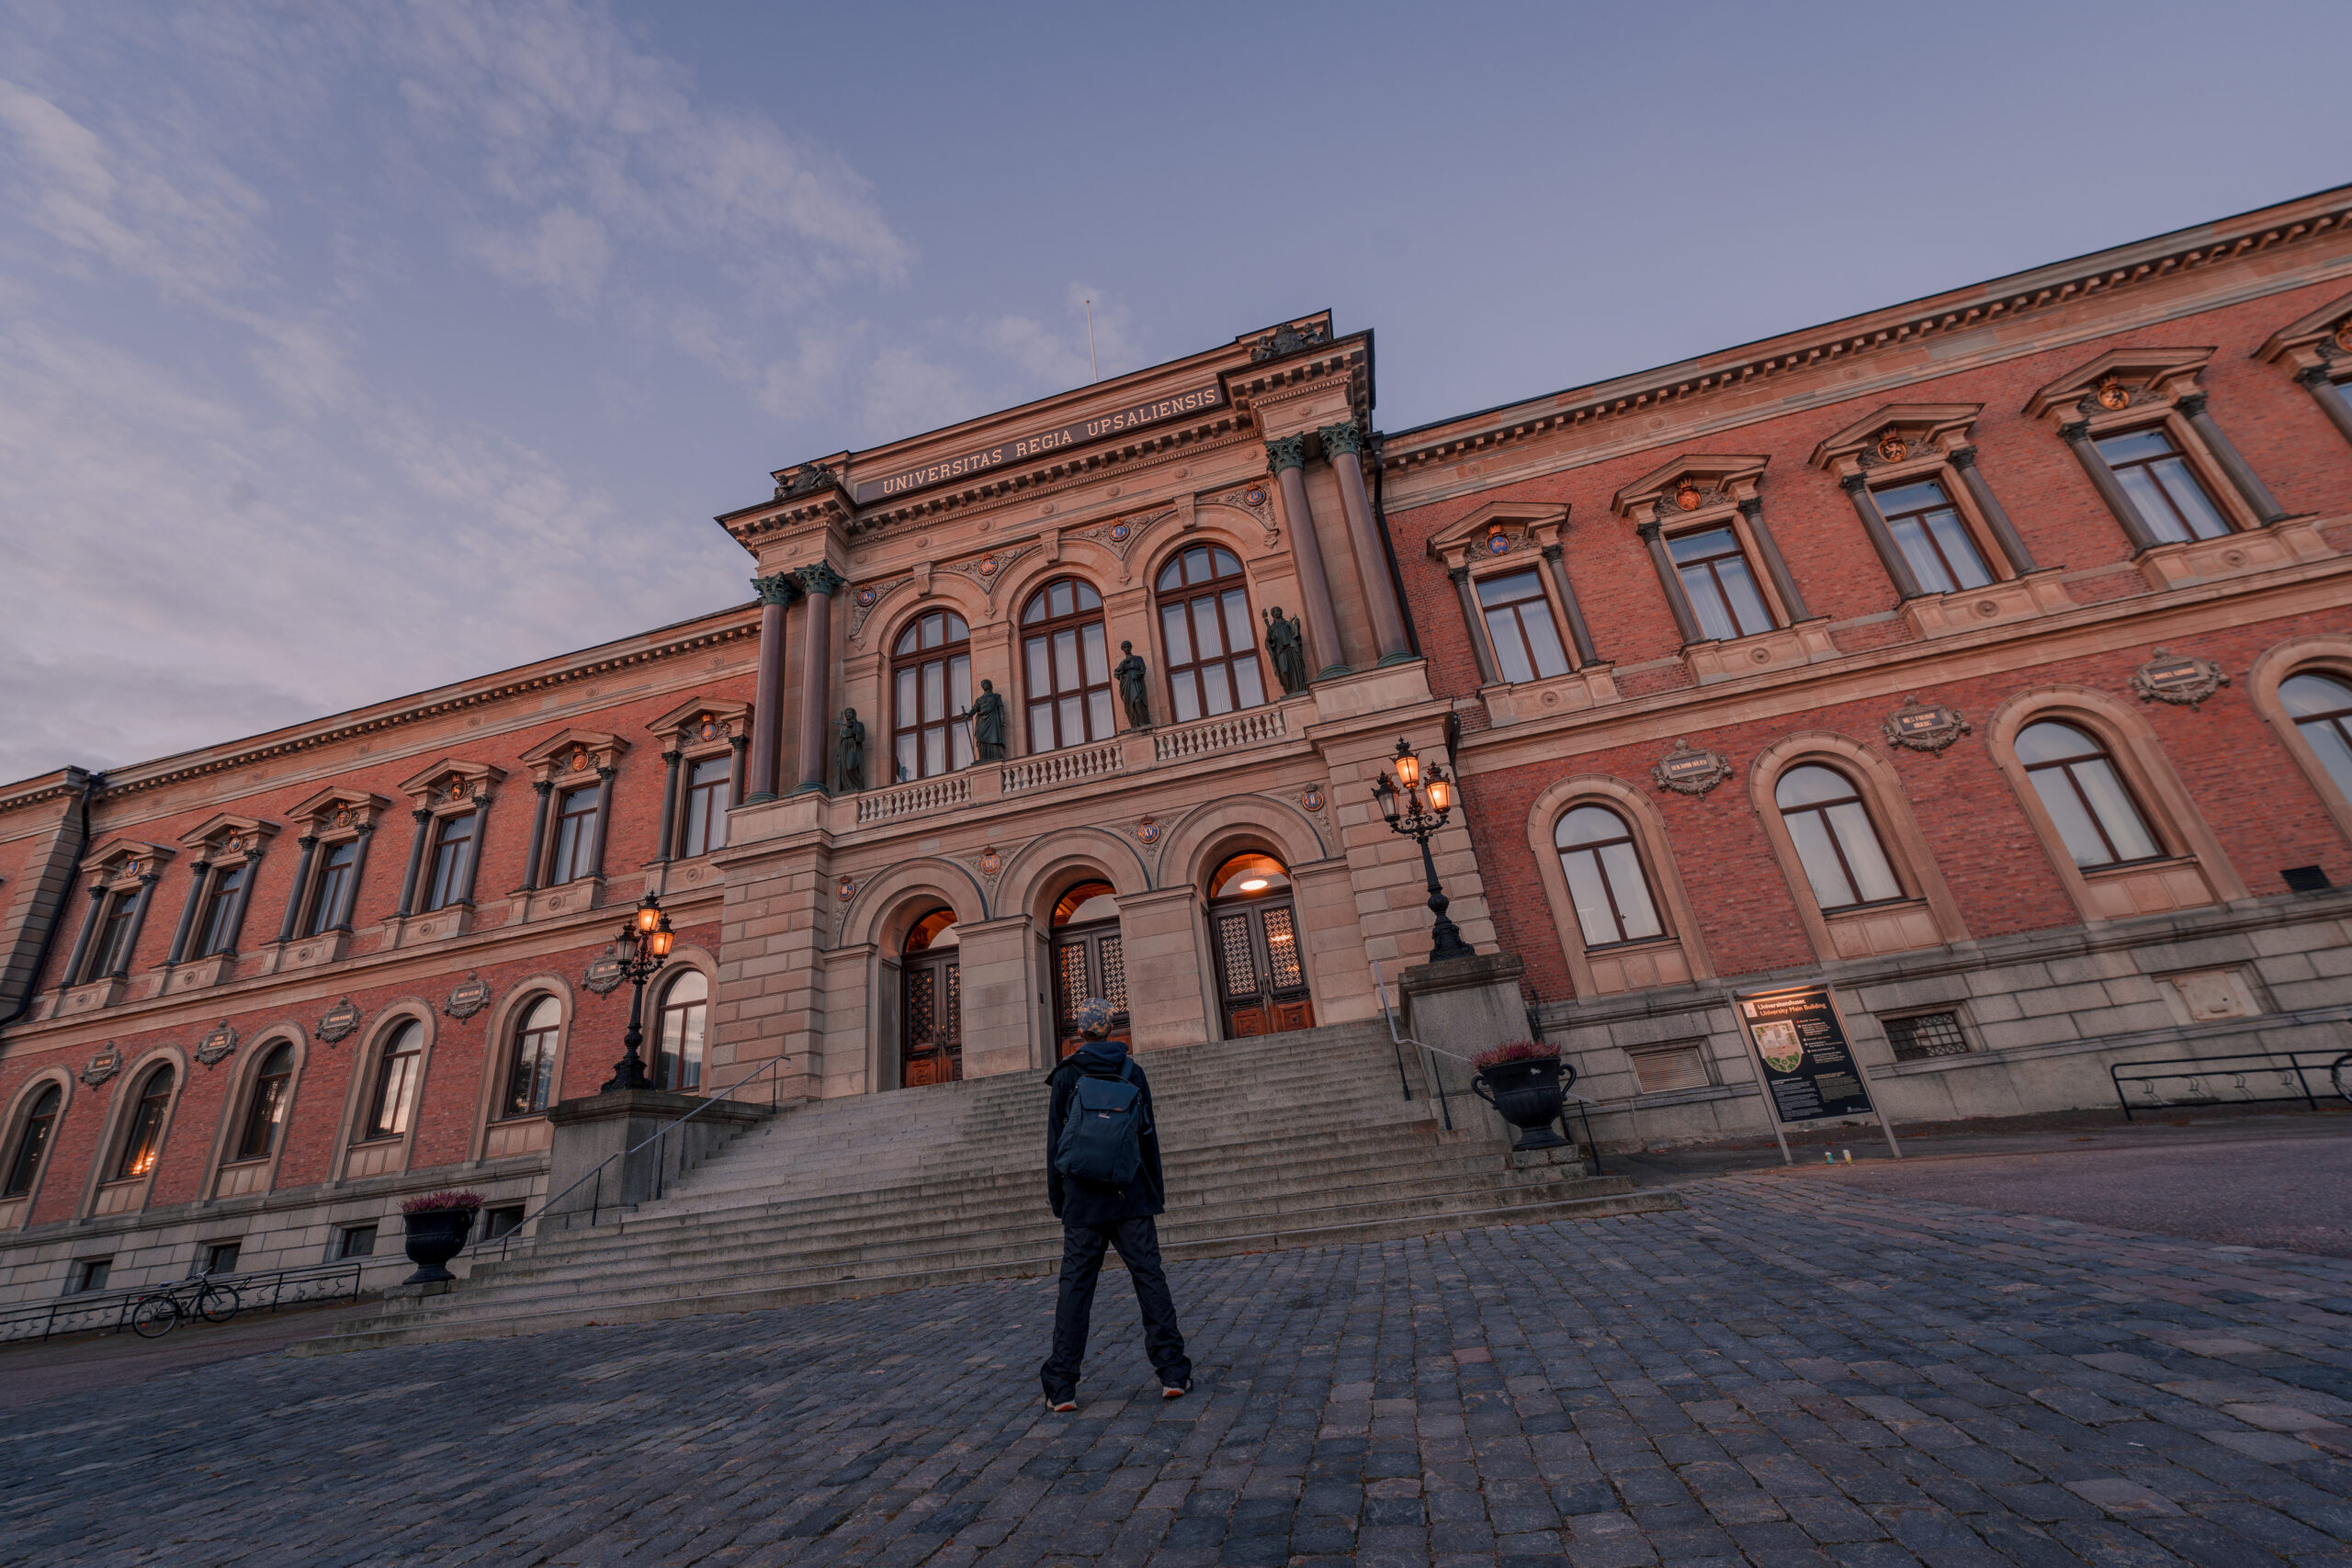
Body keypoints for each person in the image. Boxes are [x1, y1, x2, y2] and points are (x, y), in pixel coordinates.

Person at [1040, 998, 1191, 1411]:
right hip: (1131, 1194)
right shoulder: (1132, 1072)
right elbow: (1149, 1140)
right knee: (1149, 1279)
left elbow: (1056, 1145)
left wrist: (1060, 1200)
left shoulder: (1066, 1076)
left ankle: (1062, 1386)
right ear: (1111, 1029)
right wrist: (1154, 1192)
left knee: (1075, 1289)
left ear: (1080, 1032)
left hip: (1083, 1202)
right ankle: (1173, 1372)